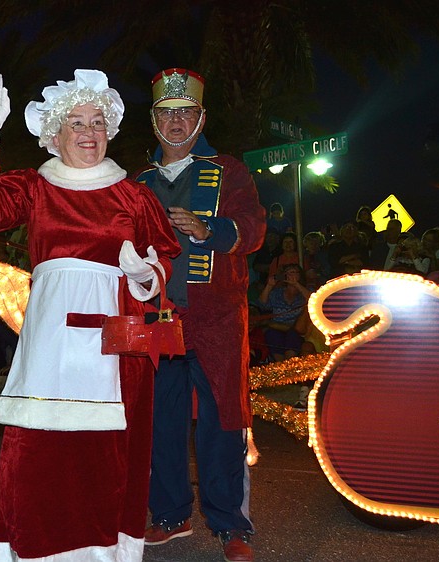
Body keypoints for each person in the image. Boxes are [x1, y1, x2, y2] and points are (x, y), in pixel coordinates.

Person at [0, 69, 180, 561]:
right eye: (76, 122)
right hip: (50, 335)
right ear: (54, 134)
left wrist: (145, 274)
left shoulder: (134, 195)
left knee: (108, 451)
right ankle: (33, 548)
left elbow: (165, 257)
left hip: (117, 338)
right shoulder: (35, 186)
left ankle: (105, 552)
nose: (89, 132)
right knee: (38, 442)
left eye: (97, 122)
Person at [134, 68, 265, 562]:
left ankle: (230, 524)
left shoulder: (228, 170)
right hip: (157, 319)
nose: (176, 121)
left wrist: (211, 230)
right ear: (153, 120)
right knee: (159, 422)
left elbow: (254, 228)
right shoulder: (138, 183)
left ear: (202, 118)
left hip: (216, 321)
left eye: (186, 112)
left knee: (223, 421)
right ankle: (170, 515)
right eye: (167, 113)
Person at [259, 264, 312, 362]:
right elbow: (262, 305)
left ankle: (289, 364)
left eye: (293, 272)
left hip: (296, 329)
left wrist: (296, 284)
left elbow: (314, 300)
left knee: (293, 336)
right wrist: (269, 286)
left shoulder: (305, 292)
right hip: (276, 327)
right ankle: (280, 364)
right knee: (272, 335)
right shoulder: (277, 293)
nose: (290, 275)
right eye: (288, 273)